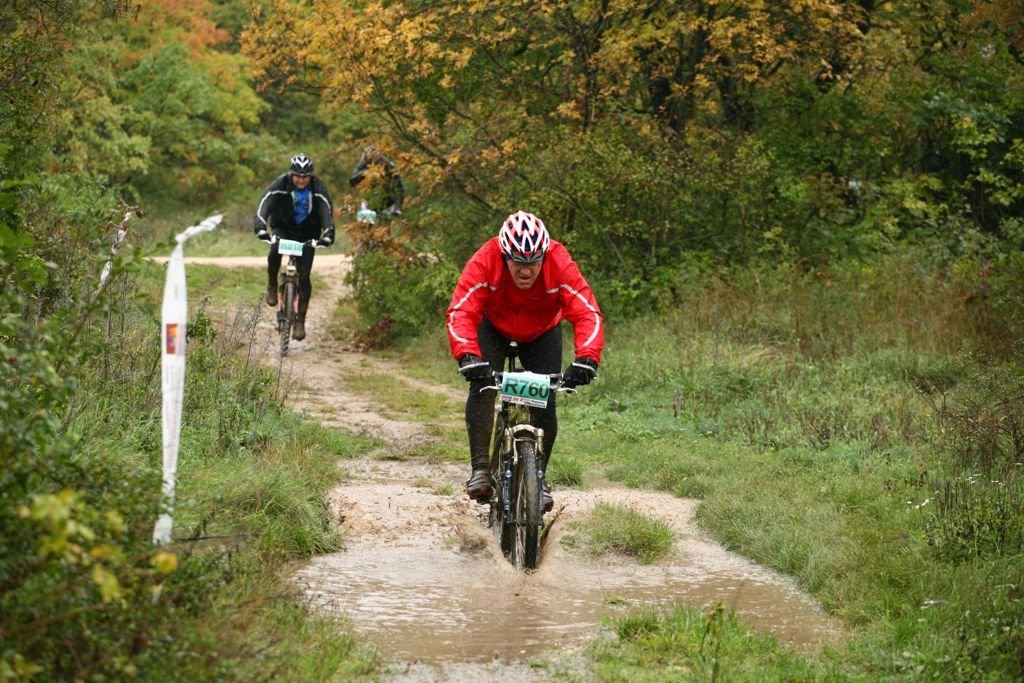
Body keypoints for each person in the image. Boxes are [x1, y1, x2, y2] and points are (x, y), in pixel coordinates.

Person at [446, 210, 604, 512]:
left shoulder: (559, 262)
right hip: (493, 327)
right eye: (518, 262)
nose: (526, 270)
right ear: (504, 255)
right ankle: (481, 469)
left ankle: (538, 476)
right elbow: (460, 312)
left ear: (544, 256)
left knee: (544, 399)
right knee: (482, 387)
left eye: (533, 262)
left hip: (542, 331)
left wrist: (586, 358)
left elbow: (587, 312)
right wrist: (467, 354)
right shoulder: (485, 260)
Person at [253, 153, 335, 341]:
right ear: (291, 174)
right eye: (297, 176)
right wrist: (260, 228)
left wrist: (328, 234)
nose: (301, 180)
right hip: (284, 227)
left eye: (305, 176)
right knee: (275, 250)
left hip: (308, 234)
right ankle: (272, 285)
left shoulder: (318, 187)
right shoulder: (280, 184)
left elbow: (326, 212)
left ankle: (300, 321)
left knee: (304, 276)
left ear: (311, 176)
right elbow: (264, 205)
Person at [349, 146, 404, 216]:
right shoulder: (363, 165)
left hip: (388, 203)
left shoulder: (390, 168)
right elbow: (352, 181)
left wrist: (397, 208)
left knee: (386, 221)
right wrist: (363, 174)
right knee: (365, 220)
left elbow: (399, 189)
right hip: (368, 203)